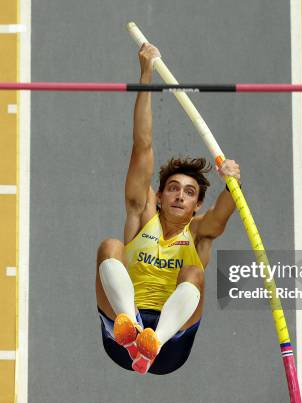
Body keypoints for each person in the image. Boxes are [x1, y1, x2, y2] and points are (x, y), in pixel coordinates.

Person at [96, 43, 241, 375]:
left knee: (194, 274)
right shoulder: (141, 213)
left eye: (189, 192)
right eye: (172, 188)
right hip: (120, 338)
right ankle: (131, 327)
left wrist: (233, 182)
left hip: (170, 344)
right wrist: (146, 73)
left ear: (197, 204)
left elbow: (223, 213)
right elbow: (142, 145)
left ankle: (151, 341)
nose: (179, 195)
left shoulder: (200, 232)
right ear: (159, 195)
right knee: (110, 247)